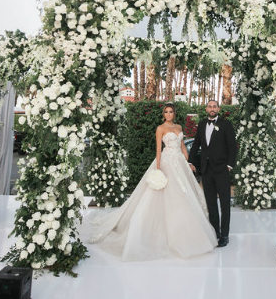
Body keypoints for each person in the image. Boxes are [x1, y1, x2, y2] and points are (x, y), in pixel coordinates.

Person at [86, 104, 217, 261]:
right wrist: (158, 168)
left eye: (171, 112)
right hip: (167, 162)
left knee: (185, 194)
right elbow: (158, 149)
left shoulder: (179, 126)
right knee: (166, 195)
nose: (169, 114)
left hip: (180, 163)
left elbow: (182, 146)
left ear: (174, 114)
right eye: (166, 112)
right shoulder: (160, 128)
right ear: (164, 114)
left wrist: (188, 163)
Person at [188, 100, 237, 247]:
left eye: (214, 106)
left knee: (224, 203)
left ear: (218, 109)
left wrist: (229, 165)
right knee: (211, 203)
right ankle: (214, 232)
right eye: (210, 106)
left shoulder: (225, 124)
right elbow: (196, 143)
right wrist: (191, 161)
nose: (212, 109)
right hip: (207, 170)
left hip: (222, 169)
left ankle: (225, 235)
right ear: (206, 109)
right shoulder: (202, 124)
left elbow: (232, 146)